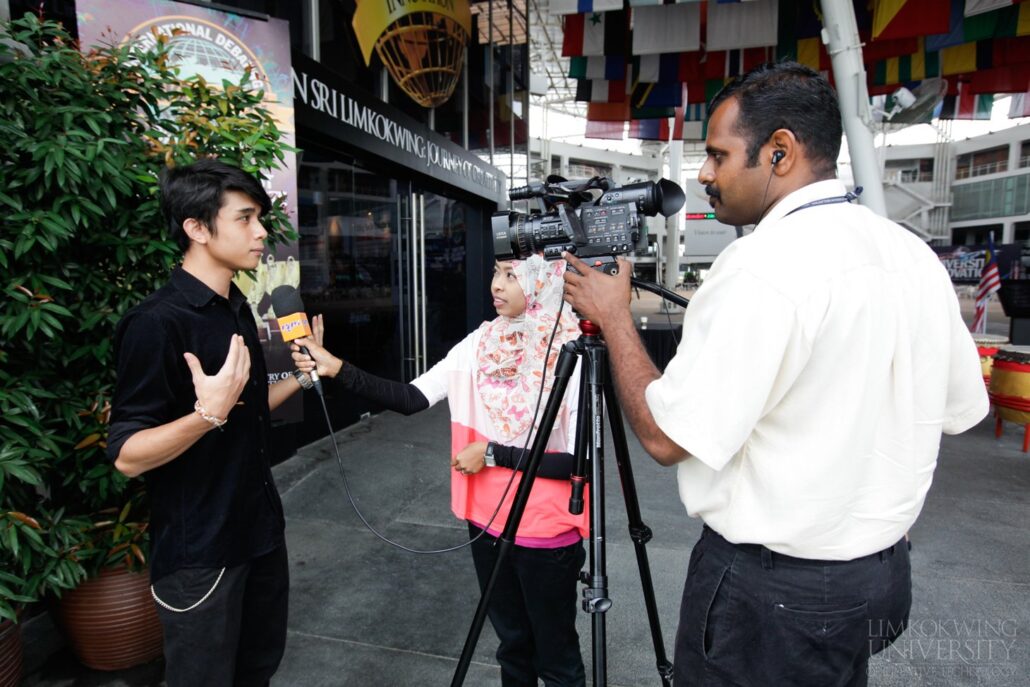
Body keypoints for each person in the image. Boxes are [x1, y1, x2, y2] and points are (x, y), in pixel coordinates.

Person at [561, 62, 989, 686]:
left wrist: (615, 319)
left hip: (774, 597)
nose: (704, 173)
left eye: (717, 154)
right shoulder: (911, 256)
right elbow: (956, 409)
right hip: (877, 579)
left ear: (780, 151)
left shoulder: (761, 266)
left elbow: (664, 437)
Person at [292, 255, 588, 686]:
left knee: (556, 658)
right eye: (496, 273)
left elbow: (577, 462)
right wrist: (336, 368)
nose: (497, 285)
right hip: (485, 521)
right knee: (513, 648)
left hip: (545, 531)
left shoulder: (572, 352)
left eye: (512, 276)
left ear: (542, 284)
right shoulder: (480, 342)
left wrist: (493, 454)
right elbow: (413, 397)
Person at [107, 160, 312, 686]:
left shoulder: (237, 308)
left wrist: (303, 378)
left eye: (260, 218)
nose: (262, 231)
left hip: (261, 533)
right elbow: (127, 455)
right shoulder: (156, 323)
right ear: (197, 228)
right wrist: (206, 415)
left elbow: (244, 409)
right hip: (201, 555)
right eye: (245, 218)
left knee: (257, 671)